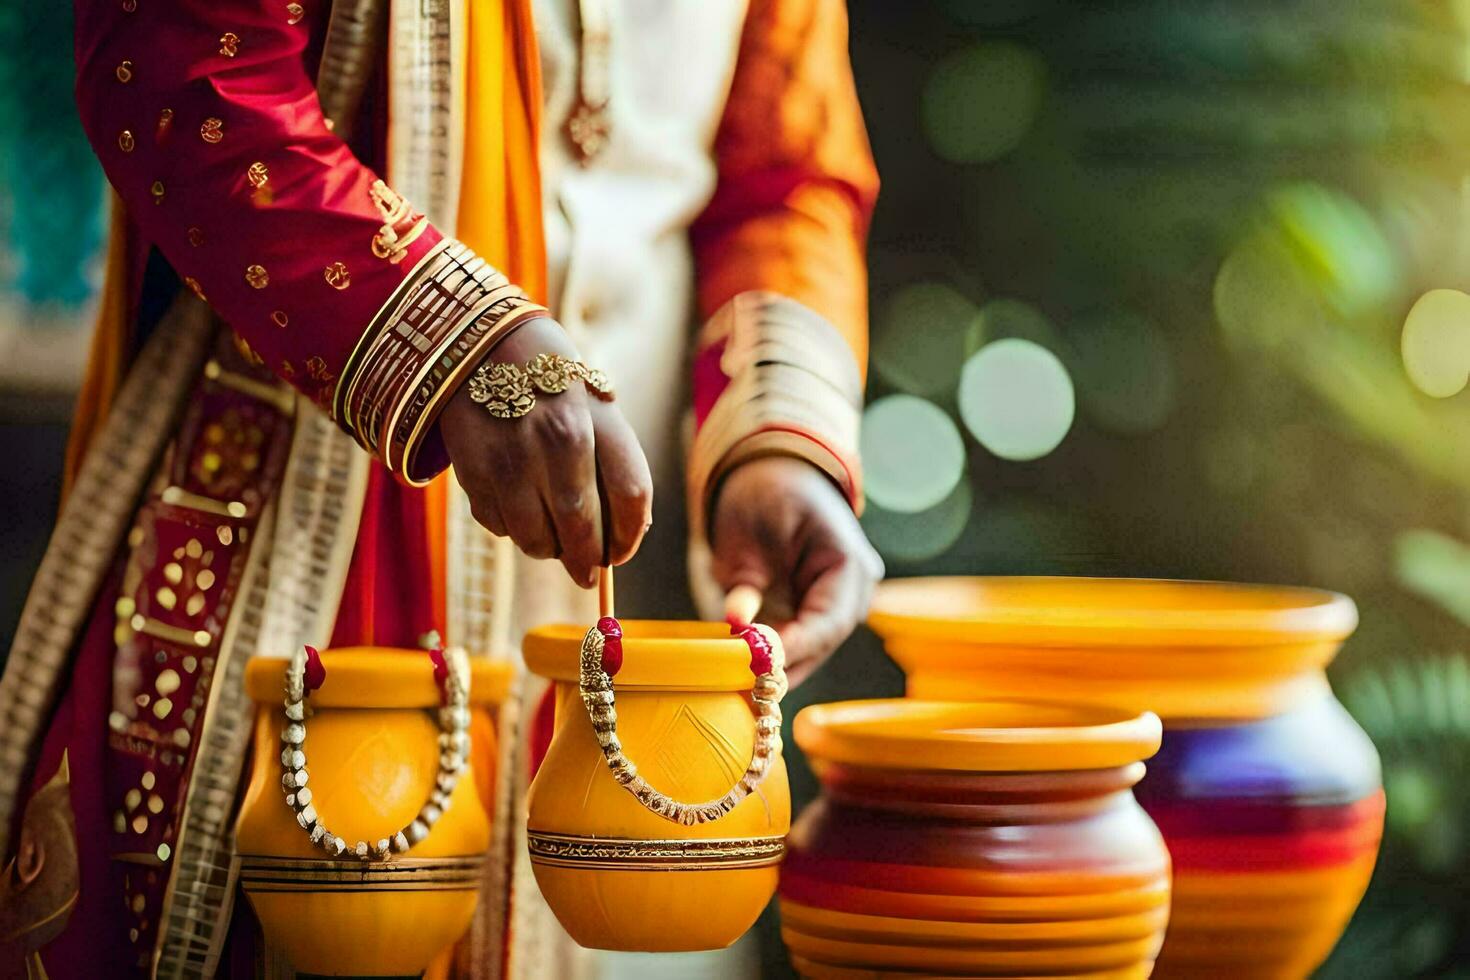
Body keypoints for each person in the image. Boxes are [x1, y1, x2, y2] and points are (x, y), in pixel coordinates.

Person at [0, 0, 881, 976]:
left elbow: (786, 179)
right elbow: (183, 69)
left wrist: (780, 443)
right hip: (302, 568)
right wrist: (455, 341)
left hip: (655, 641)